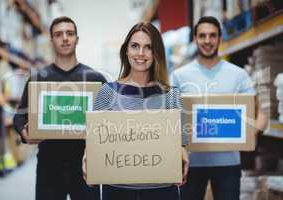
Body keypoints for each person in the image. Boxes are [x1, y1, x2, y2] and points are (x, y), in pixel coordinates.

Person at [82, 22, 189, 200]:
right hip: (117, 190)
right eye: (135, 46)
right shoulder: (107, 92)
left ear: (157, 53)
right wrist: (88, 159)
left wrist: (183, 155)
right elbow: (94, 140)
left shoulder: (171, 95)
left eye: (148, 47)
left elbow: (181, 142)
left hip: (161, 190)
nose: (141, 53)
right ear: (126, 50)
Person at [170, 16, 266, 200]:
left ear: (220, 38)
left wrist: (249, 135)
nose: (207, 41)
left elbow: (260, 113)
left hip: (228, 163)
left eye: (212, 35)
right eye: (202, 36)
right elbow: (170, 115)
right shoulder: (179, 76)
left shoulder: (238, 74)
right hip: (191, 164)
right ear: (195, 39)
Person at [13, 16, 106, 200]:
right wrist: (25, 134)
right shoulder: (39, 78)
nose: (65, 38)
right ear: (52, 41)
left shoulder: (95, 79)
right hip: (50, 165)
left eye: (70, 33)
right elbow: (19, 116)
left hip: (86, 165)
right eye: (58, 34)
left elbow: (109, 119)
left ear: (77, 39)